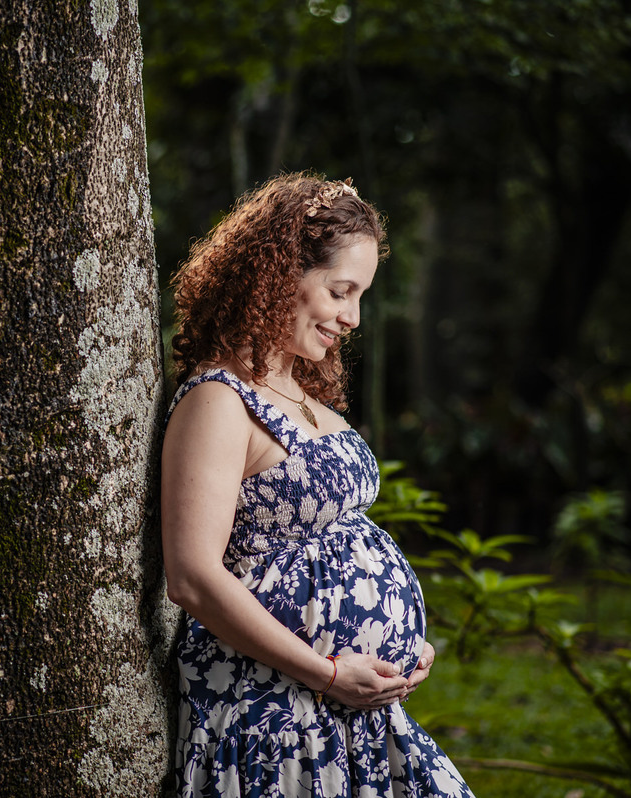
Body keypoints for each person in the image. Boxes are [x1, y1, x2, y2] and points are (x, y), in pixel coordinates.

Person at [161, 172, 474, 797]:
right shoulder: (220, 400)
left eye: (361, 296)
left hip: (351, 713)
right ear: (279, 275)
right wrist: (328, 671)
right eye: (341, 291)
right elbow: (192, 575)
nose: (352, 317)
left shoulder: (306, 397)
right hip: (274, 715)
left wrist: (402, 649)